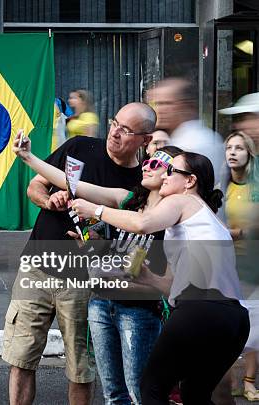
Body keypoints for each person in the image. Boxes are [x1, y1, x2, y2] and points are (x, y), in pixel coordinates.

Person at [2, 102, 156, 405]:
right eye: (114, 123)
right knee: (21, 356)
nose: (115, 133)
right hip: (38, 264)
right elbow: (36, 187)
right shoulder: (79, 147)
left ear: (145, 140)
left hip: (85, 280)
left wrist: (100, 238)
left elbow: (135, 243)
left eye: (126, 130)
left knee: (80, 366)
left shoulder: (141, 183)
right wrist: (49, 201)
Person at [70, 152, 250, 404]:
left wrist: (96, 210)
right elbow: (174, 286)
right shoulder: (207, 219)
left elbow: (142, 223)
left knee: (152, 388)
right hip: (234, 320)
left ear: (190, 181)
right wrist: (148, 278)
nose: (165, 175)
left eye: (171, 171)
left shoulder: (183, 201)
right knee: (195, 394)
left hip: (200, 311)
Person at [220, 131, 259, 401]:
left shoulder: (256, 187)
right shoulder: (221, 186)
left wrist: (239, 233)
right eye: (229, 148)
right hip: (225, 264)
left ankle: (249, 380)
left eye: (239, 148)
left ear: (249, 154)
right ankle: (230, 379)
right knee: (228, 326)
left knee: (254, 325)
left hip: (253, 263)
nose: (233, 152)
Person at [149, 78, 224, 179]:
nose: (159, 110)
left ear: (186, 105)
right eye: (156, 104)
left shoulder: (197, 143)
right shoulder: (175, 138)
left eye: (166, 103)